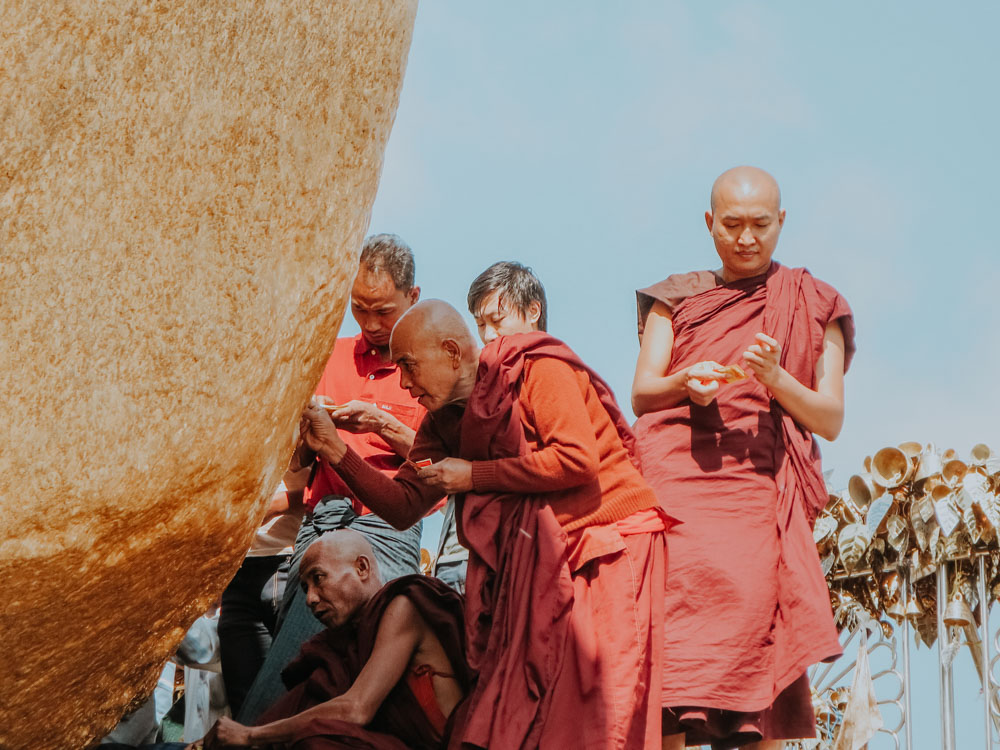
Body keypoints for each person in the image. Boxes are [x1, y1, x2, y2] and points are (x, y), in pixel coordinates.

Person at [300, 300, 672, 749]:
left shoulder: (534, 369)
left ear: (453, 352)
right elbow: (405, 505)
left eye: (409, 366)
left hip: (607, 541)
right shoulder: (444, 423)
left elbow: (576, 459)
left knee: (606, 704)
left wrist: (474, 475)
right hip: (544, 565)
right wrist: (336, 450)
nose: (405, 383)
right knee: (538, 711)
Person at [630, 166, 856, 750]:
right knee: (669, 660)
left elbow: (828, 418)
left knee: (755, 651)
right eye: (732, 224)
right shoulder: (676, 297)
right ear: (709, 223)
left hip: (754, 496)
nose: (747, 238)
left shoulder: (813, 302)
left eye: (761, 224)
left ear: (782, 222)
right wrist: (688, 382)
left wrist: (776, 378)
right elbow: (643, 392)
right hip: (677, 488)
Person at [237, 234, 431, 725]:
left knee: (323, 659)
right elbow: (298, 464)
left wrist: (381, 424)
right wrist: (306, 438)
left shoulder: (430, 364)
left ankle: (254, 733)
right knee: (305, 656)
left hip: (388, 521)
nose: (369, 324)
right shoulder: (329, 355)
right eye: (359, 308)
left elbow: (440, 466)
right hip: (319, 522)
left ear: (414, 298)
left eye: (383, 311)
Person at [191, 530, 469, 750]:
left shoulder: (404, 605)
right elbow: (296, 708)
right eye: (304, 587)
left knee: (316, 741)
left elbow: (356, 709)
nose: (310, 598)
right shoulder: (340, 646)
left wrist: (251, 735)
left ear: (362, 568)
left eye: (318, 578)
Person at [429, 261, 550, 593]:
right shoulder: (473, 386)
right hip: (454, 557)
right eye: (480, 324)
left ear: (533, 311)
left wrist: (472, 475)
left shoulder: (551, 373)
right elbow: (418, 478)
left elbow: (569, 463)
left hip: (523, 554)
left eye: (497, 321)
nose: (488, 335)